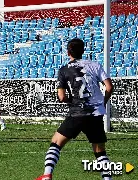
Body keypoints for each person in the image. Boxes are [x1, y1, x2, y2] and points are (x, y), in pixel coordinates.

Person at [36, 38, 114, 180]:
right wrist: (103, 102)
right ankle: (107, 179)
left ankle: (47, 174)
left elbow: (61, 96)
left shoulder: (64, 70)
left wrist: (71, 101)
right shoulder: (94, 65)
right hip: (95, 113)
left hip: (77, 113)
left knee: (56, 142)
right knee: (100, 151)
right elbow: (109, 87)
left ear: (68, 52)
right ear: (83, 51)